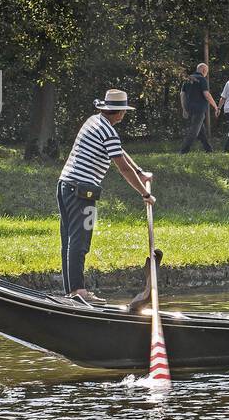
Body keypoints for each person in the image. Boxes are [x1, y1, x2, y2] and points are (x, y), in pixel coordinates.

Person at [57, 89, 155, 306]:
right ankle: (78, 291)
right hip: (82, 190)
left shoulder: (94, 121)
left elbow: (119, 152)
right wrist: (145, 193)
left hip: (65, 185)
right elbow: (122, 167)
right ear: (120, 113)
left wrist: (140, 171)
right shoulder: (108, 132)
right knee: (80, 241)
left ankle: (71, 290)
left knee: (69, 241)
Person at [179, 62, 218, 154]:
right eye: (206, 72)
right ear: (204, 70)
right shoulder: (202, 79)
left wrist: (184, 109)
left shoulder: (188, 79)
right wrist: (216, 106)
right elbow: (207, 95)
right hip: (199, 109)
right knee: (194, 131)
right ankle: (183, 151)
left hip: (189, 108)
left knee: (201, 131)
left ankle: (209, 150)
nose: (206, 74)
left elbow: (182, 94)